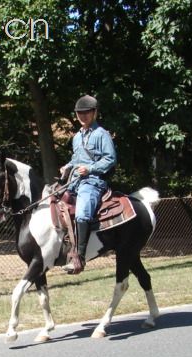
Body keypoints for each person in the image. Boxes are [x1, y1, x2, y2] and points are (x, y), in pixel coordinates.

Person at [60, 95, 117, 274]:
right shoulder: (77, 137)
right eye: (79, 113)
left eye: (86, 113)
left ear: (94, 113)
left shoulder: (102, 134)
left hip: (92, 182)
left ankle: (80, 259)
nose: (82, 116)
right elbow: (76, 159)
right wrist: (67, 167)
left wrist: (90, 169)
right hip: (74, 182)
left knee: (83, 212)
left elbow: (110, 158)